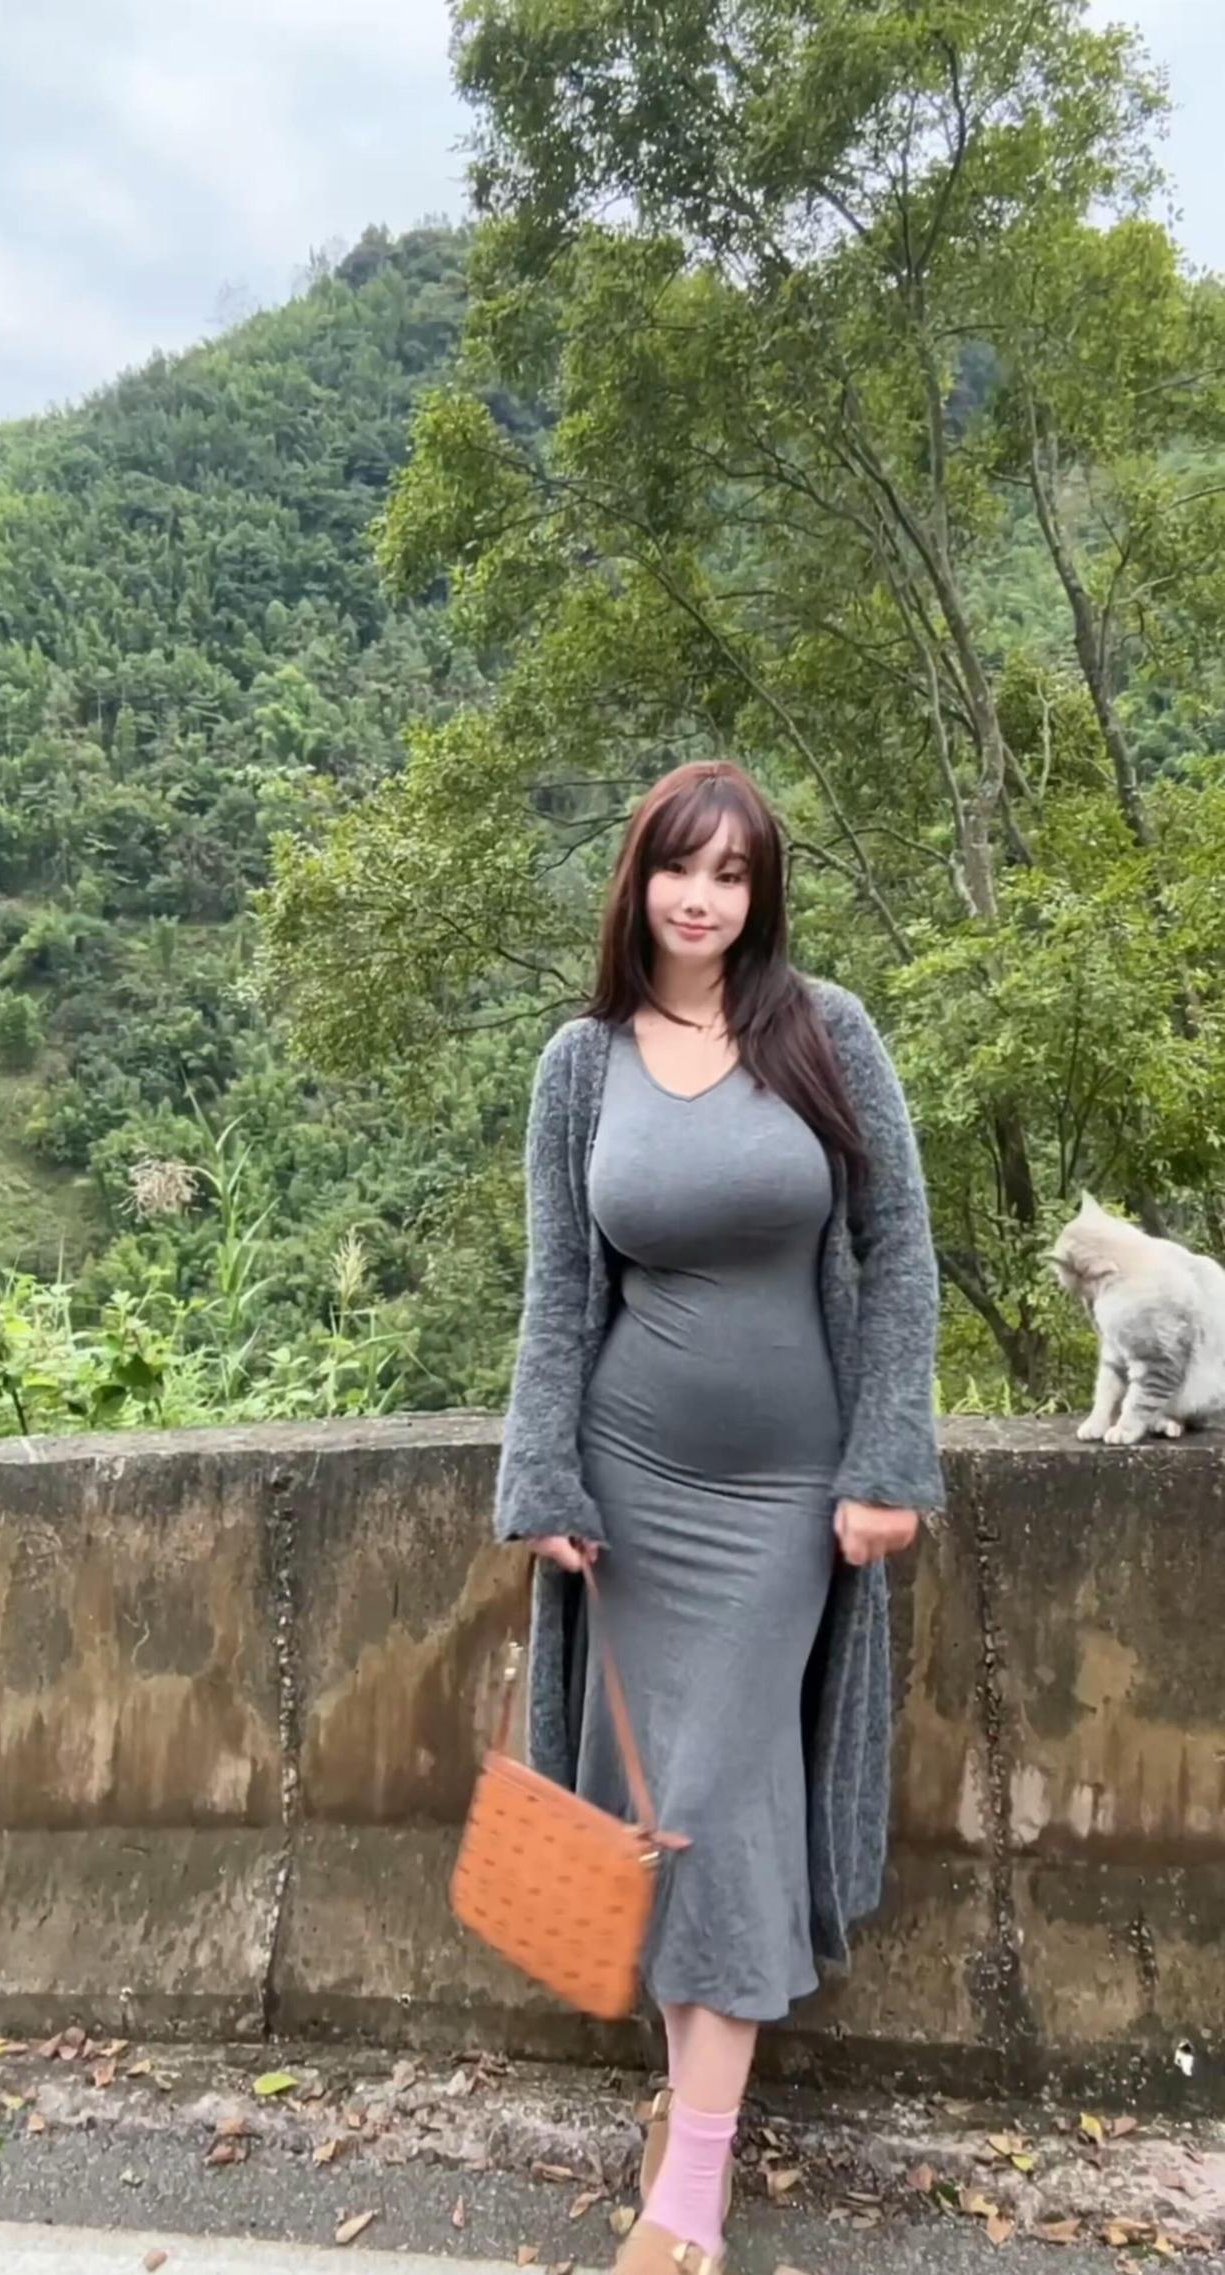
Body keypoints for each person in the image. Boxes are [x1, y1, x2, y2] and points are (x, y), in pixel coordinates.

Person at [494, 760, 943, 2275]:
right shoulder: (581, 1066)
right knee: (658, 1814)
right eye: (681, 869)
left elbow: (899, 1254)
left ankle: (693, 2178)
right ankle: (690, 2117)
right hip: (630, 1486)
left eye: (734, 873)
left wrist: (888, 1468)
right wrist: (542, 1474)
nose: (704, 898)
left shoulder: (827, 1034)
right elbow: (563, 1288)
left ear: (763, 893)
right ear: (639, 882)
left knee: (730, 1802)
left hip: (783, 1502)